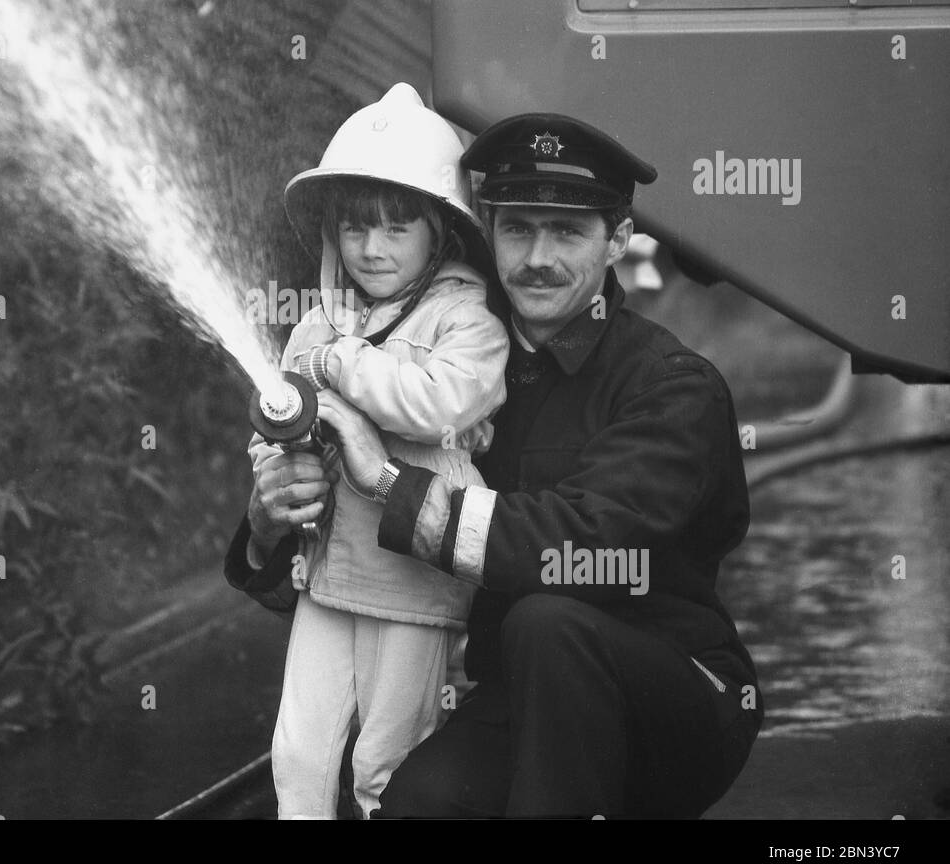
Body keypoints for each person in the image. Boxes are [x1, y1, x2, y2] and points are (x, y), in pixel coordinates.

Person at [244, 112, 764, 818]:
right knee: (414, 804)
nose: (537, 257)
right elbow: (334, 558)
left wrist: (393, 485)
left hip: (676, 702)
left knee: (548, 619)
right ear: (485, 230)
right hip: (522, 698)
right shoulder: (449, 364)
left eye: (568, 232)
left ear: (618, 238)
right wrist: (271, 519)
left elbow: (581, 546)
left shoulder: (671, 385)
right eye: (517, 228)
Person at [226, 84, 509, 818]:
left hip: (416, 584)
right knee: (296, 756)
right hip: (329, 575)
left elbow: (438, 404)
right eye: (355, 229)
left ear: (441, 231)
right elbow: (272, 426)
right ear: (331, 233)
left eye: (395, 228)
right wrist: (274, 468)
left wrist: (339, 369)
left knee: (387, 768)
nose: (372, 248)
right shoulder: (312, 328)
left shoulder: (468, 325)